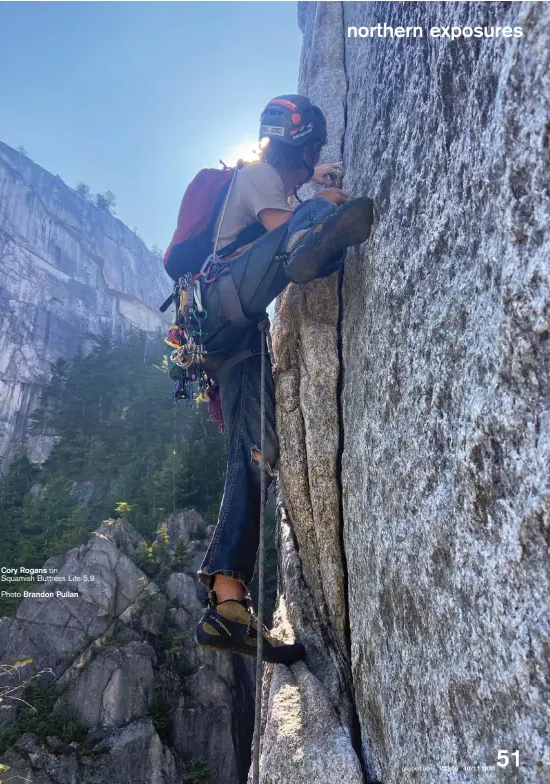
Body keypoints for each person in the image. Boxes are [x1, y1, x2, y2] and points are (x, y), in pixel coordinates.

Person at [194, 95, 374, 663]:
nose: (307, 168)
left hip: (231, 337)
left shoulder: (270, 178)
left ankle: (228, 603)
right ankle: (323, 235)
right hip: (226, 303)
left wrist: (306, 189)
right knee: (308, 229)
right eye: (309, 157)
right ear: (298, 150)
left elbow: (273, 227)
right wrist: (318, 203)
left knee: (254, 452)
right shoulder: (256, 175)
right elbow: (281, 230)